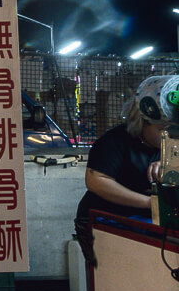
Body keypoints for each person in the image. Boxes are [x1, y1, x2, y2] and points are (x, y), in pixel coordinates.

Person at [74, 75, 179, 265]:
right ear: (143, 121)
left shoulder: (172, 145)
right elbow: (97, 181)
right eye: (163, 129)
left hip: (150, 221)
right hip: (106, 220)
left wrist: (170, 165)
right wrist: (149, 203)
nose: (169, 135)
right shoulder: (115, 142)